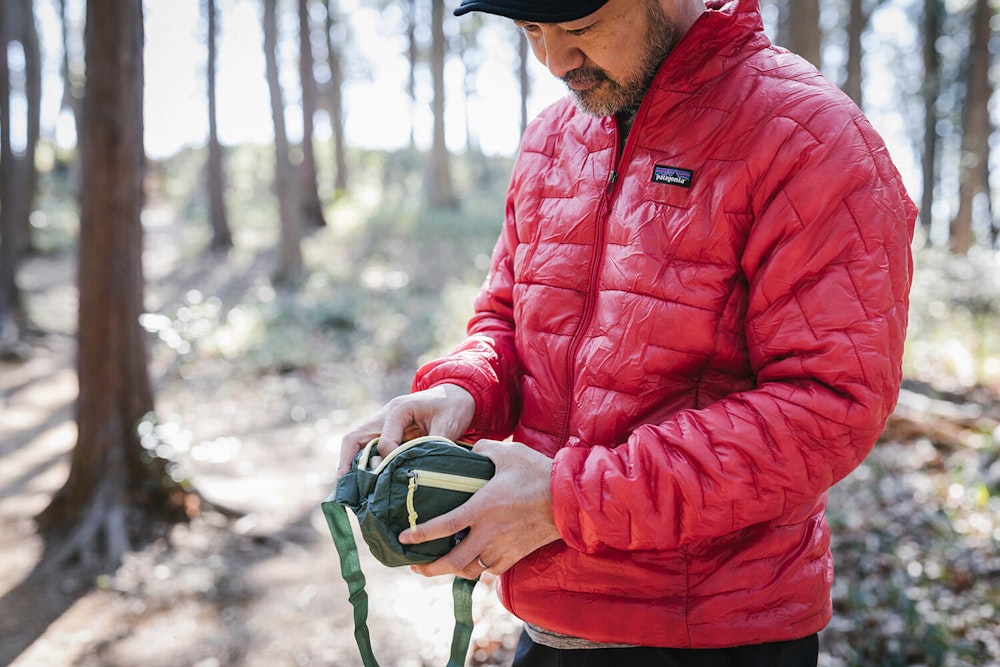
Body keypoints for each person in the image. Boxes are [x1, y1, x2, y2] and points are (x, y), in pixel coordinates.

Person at [338, 0, 917, 664]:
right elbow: (504, 320)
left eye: (578, 28)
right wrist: (465, 389)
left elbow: (828, 407)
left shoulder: (810, 138)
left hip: (713, 638)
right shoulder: (553, 138)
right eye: (531, 31)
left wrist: (569, 499)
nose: (555, 61)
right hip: (548, 619)